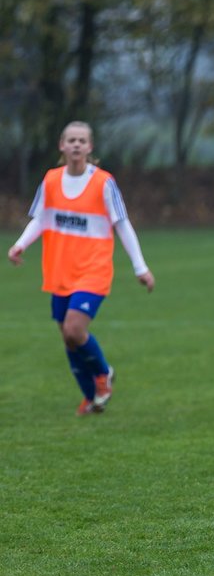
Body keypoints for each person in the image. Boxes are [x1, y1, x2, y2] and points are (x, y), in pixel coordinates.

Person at [7, 121, 155, 416]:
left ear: (90, 147)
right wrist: (20, 244)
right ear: (62, 145)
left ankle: (103, 373)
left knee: (75, 329)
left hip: (93, 270)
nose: (76, 145)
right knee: (67, 336)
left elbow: (122, 225)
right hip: (60, 270)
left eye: (81, 140)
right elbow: (41, 218)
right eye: (71, 140)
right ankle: (92, 398)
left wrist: (141, 267)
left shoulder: (103, 183)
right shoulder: (50, 180)